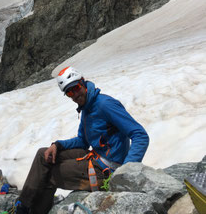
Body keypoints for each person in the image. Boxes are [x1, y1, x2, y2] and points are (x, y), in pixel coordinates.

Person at [14, 66, 149, 214]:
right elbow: (83, 141)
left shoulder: (105, 105)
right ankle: (23, 205)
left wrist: (124, 172)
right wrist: (57, 145)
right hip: (96, 157)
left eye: (76, 88)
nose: (75, 94)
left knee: (49, 174)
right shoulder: (86, 107)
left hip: (106, 171)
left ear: (83, 83)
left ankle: (30, 211)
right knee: (44, 154)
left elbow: (140, 135)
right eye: (70, 92)